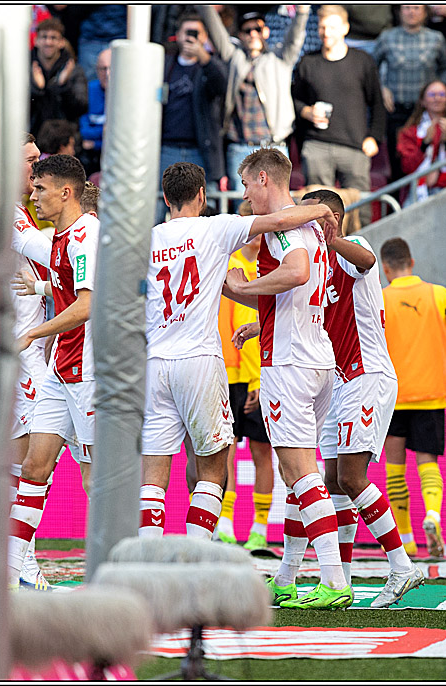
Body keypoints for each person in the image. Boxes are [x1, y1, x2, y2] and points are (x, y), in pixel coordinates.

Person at [139, 162, 338, 544]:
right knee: (213, 468)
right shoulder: (216, 228)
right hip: (199, 360)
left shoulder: (148, 240)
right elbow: (279, 221)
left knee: (153, 474)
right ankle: (197, 555)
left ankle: (147, 558)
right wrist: (320, 209)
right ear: (202, 196)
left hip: (156, 361)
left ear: (165, 198)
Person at [224, 147, 352, 609]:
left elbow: (295, 274)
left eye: (245, 184)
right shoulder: (313, 227)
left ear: (263, 178)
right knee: (296, 472)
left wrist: (242, 287)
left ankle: (334, 580)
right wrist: (252, 309)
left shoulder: (282, 226)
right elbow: (300, 287)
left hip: (289, 363)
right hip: (317, 357)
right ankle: (287, 575)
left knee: (300, 471)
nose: (245, 194)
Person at [301, 189, 424, 608]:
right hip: (339, 382)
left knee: (353, 478)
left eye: (311, 218)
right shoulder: (315, 263)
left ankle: (402, 567)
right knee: (335, 479)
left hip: (366, 375)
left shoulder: (352, 247)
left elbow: (368, 261)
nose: (302, 226)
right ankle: (342, 579)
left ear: (332, 218)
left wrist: (333, 238)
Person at [6, 154, 98, 590]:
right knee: (34, 467)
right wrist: (41, 287)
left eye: (40, 188)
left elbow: (87, 304)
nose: (34, 194)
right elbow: (63, 284)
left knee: (96, 479)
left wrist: (33, 333)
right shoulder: (60, 238)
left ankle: (116, 573)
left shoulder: (86, 235)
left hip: (92, 373)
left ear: (65, 192)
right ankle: (10, 574)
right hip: (60, 371)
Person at [379, 237, 446, 558]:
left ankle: (405, 539)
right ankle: (433, 515)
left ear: (385, 269)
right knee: (428, 463)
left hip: (392, 396)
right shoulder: (439, 294)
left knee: (394, 468)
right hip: (430, 393)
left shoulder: (380, 298)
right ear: (412, 262)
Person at [210, 202, 274, 551]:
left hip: (261, 374)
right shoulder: (224, 263)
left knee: (263, 452)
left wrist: (257, 379)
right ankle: (225, 523)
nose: (254, 233)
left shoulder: (272, 267)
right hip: (224, 373)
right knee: (227, 451)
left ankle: (260, 529)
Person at [291, 5, 384, 226]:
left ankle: (359, 247)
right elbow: (293, 100)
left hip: (355, 146)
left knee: (360, 212)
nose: (326, 32)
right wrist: (306, 111)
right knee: (316, 213)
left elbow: (378, 103)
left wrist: (374, 137)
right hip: (317, 146)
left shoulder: (363, 61)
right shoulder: (308, 62)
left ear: (345, 28)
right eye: (322, 27)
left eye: (332, 27)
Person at [203, 6, 309, 192]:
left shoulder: (280, 57)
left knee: (276, 203)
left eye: (257, 29)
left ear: (265, 32)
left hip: (273, 147)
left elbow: (295, 37)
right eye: (247, 31)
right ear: (240, 35)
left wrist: (302, 12)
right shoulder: (234, 57)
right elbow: (216, 30)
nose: (253, 34)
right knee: (243, 202)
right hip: (240, 147)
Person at [157, 12, 228, 223]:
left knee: (205, 211)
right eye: (187, 32)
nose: (190, 37)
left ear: (205, 36)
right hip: (167, 147)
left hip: (201, 150)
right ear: (177, 35)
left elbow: (222, 86)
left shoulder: (210, 64)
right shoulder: (166, 64)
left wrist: (204, 57)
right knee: (159, 208)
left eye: (196, 33)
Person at [371, 5, 446, 182]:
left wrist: (438, 91)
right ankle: (396, 199)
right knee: (397, 163)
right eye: (407, 7)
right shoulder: (387, 37)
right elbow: (370, 69)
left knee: (427, 158)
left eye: (416, 7)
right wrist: (381, 88)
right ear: (400, 11)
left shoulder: (436, 38)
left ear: (424, 12)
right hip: (397, 111)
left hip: (426, 112)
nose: (411, 12)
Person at [396, 80, 446, 205]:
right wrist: (425, 144)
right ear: (422, 101)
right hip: (418, 190)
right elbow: (407, 167)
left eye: (442, 94)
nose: (437, 99)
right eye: (432, 95)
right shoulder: (410, 131)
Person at [29, 18, 88, 140]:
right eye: (44, 37)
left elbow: (80, 109)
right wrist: (37, 89)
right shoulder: (24, 68)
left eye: (53, 38)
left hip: (64, 141)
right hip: (32, 139)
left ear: (61, 42)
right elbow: (18, 109)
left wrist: (63, 86)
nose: (48, 42)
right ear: (36, 41)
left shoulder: (74, 70)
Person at [78, 48, 110, 173]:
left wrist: (95, 144)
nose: (107, 73)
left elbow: (123, 136)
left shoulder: (126, 94)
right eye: (103, 69)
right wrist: (105, 131)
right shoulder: (89, 89)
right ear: (97, 70)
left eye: (111, 68)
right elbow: (84, 132)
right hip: (91, 158)